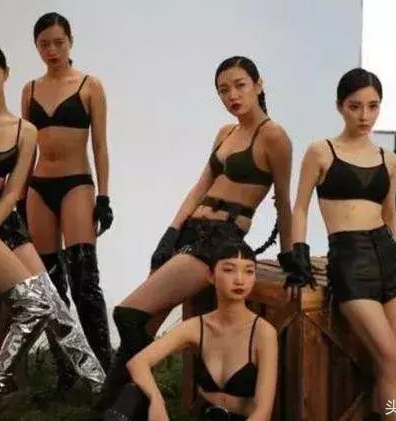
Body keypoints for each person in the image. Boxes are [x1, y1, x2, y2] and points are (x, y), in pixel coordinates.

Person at [97, 56, 297, 414]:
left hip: (219, 240)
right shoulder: (226, 133)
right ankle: (113, 410)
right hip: (190, 231)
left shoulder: (274, 137)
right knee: (144, 329)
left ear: (258, 84)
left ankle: (135, 404)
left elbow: (284, 202)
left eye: (240, 85)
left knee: (128, 315)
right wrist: (170, 233)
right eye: (223, 90)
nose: (232, 95)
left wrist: (290, 257)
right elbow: (200, 187)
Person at [0, 43, 106, 421]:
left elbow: (12, 194)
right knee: (33, 305)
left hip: (3, 224)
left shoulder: (26, 131)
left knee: (57, 311)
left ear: (6, 75)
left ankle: (103, 390)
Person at [287, 67, 396, 421]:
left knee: (390, 368)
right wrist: (298, 255)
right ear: (339, 107)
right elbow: (300, 207)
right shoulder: (321, 151)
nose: (364, 116)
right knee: (395, 361)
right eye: (355, 106)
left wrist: (392, 248)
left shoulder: (389, 160)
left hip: (389, 260)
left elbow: (390, 214)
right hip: (349, 259)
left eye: (373, 106)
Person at [20, 11, 114, 390]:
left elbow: (100, 145)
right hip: (38, 187)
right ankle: (68, 369)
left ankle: (104, 369)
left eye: (58, 42)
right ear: (36, 46)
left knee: (84, 280)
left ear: (70, 41)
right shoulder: (29, 90)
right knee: (50, 287)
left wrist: (104, 196)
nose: (52, 50)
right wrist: (18, 196)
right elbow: (26, 149)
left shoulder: (90, 86)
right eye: (44, 44)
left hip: (77, 183)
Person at [118, 241, 278, 421]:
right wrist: (156, 401)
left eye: (249, 271)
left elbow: (263, 412)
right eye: (229, 270)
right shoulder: (198, 326)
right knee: (129, 398)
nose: (240, 280)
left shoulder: (263, 333)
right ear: (211, 275)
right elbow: (138, 362)